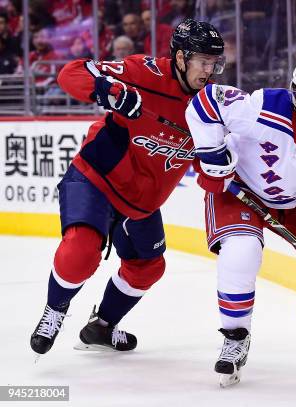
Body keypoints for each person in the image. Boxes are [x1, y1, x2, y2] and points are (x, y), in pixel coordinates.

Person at [29, 19, 225, 355]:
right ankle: (55, 308)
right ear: (180, 58)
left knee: (150, 266)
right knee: (80, 251)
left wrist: (221, 169)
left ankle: (102, 326)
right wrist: (110, 92)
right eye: (203, 62)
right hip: (97, 177)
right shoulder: (143, 71)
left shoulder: (211, 105)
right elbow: (71, 73)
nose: (210, 70)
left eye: (214, 63)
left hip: (141, 201)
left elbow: (207, 168)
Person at [185, 53, 296, 386]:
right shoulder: (265, 105)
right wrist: (211, 155)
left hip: (292, 202)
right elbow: (206, 103)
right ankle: (236, 337)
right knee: (242, 251)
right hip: (238, 189)